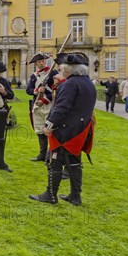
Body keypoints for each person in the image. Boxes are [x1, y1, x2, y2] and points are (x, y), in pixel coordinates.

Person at [29, 52, 96, 206]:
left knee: (55, 161)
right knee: (74, 162)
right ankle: (75, 196)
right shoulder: (88, 83)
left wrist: (49, 125)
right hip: (80, 130)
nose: (61, 71)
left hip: (65, 131)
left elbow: (61, 108)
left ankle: (50, 195)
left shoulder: (70, 84)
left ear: (70, 69)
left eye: (63, 69)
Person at [26, 53, 59, 162]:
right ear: (36, 63)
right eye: (39, 62)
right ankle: (42, 154)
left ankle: (50, 156)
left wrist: (44, 100)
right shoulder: (33, 76)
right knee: (40, 130)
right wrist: (37, 91)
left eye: (42, 61)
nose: (41, 63)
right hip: (37, 105)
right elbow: (28, 90)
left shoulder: (53, 73)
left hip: (49, 104)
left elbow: (57, 89)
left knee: (49, 130)